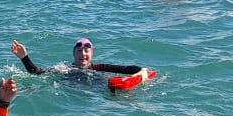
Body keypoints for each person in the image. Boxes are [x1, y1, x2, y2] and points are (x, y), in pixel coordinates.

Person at [10, 38, 146, 77]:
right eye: (79, 51)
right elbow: (36, 72)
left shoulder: (99, 68)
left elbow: (127, 69)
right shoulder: (65, 69)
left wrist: (141, 71)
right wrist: (24, 57)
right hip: (71, 93)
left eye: (87, 50)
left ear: (92, 53)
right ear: (74, 54)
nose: (83, 54)